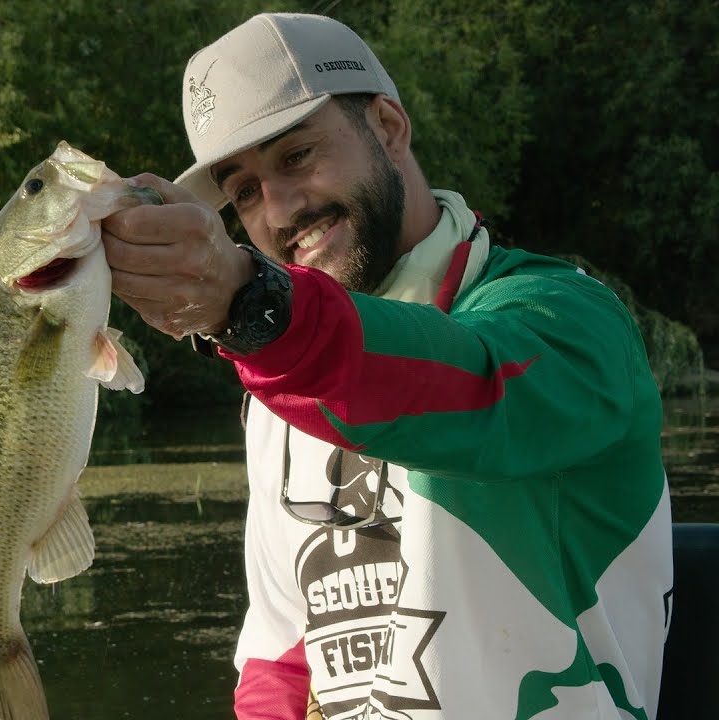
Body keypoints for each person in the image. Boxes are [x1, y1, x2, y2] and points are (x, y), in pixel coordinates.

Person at [101, 13, 673, 720]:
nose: (277, 212)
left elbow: (473, 385)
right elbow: (280, 650)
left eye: (296, 155)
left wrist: (251, 304)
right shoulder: (275, 389)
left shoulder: (572, 319)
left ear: (390, 127)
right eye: (243, 191)